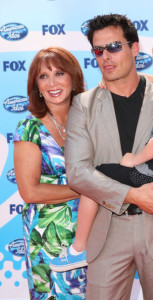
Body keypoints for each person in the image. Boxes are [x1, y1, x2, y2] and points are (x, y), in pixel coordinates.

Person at [50, 27, 153, 299]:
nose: (106, 56)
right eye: (98, 50)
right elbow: (78, 173)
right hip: (106, 235)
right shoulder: (83, 104)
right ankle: (79, 250)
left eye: (114, 46)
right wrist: (132, 195)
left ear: (135, 48)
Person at [13, 47, 87, 299]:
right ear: (36, 85)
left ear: (74, 78)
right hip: (48, 241)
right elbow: (30, 191)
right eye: (44, 76)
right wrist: (91, 189)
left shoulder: (90, 121)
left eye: (59, 73)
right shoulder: (29, 128)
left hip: (93, 236)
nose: (52, 83)